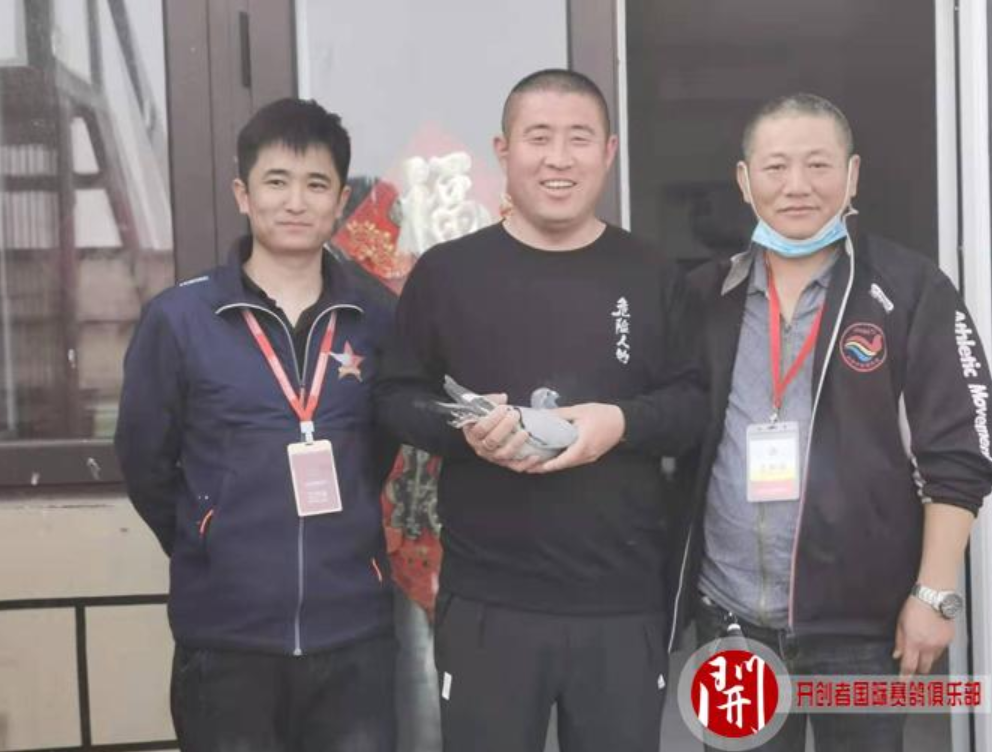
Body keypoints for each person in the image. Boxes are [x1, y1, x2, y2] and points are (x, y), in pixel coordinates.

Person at [374, 68, 706, 752]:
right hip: (488, 602)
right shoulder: (448, 272)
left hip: (620, 602)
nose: (559, 158)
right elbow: (394, 396)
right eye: (539, 138)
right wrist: (465, 429)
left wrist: (619, 424)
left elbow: (693, 405)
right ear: (503, 151)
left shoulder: (651, 273)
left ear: (608, 152)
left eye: (579, 138)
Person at [674, 92, 992, 751]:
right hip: (731, 621)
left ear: (852, 175)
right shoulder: (707, 295)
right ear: (745, 181)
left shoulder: (910, 289)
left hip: (864, 631)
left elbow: (960, 453)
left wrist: (934, 595)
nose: (797, 185)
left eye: (818, 165)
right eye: (776, 167)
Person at [115, 98, 397, 752]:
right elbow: (145, 461)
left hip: (353, 633)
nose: (295, 201)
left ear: (340, 201)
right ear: (243, 194)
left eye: (316, 184)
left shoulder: (377, 317)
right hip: (226, 639)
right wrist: (210, 533)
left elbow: (378, 449)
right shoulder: (181, 319)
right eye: (276, 181)